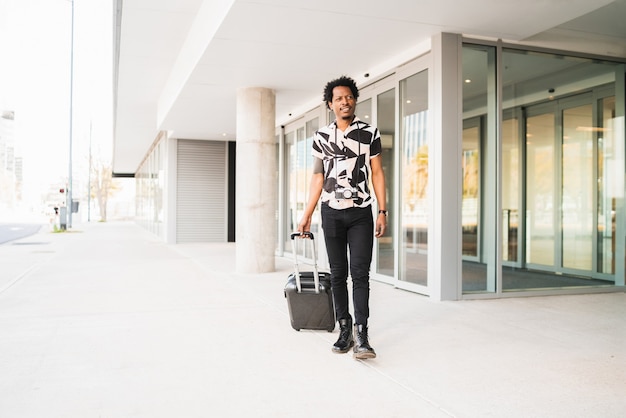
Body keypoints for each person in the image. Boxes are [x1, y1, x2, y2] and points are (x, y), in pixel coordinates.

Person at [298, 75, 387, 359]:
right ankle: (344, 328)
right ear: (330, 104)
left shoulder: (369, 133)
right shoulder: (322, 136)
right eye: (339, 98)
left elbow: (377, 173)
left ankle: (362, 334)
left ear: (355, 100)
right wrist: (307, 213)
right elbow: (317, 177)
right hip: (331, 212)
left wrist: (382, 210)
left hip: (361, 212)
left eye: (349, 97)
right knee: (338, 274)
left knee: (360, 274)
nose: (345, 102)